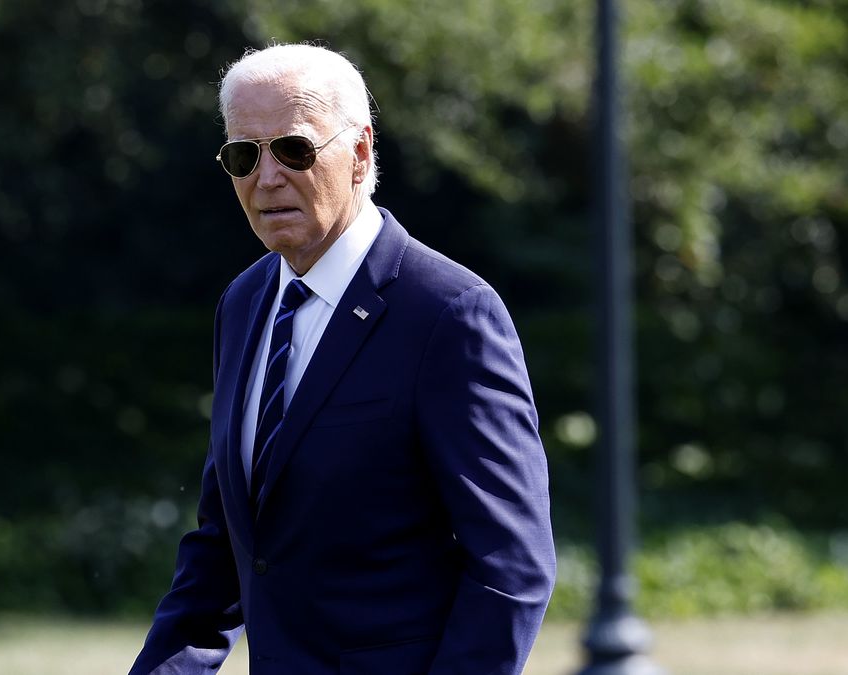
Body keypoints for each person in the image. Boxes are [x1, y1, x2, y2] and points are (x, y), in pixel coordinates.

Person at [130, 43, 555, 675]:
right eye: (244, 155)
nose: (267, 177)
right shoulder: (244, 303)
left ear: (359, 153)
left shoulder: (447, 312)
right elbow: (227, 543)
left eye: (294, 149)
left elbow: (511, 566)